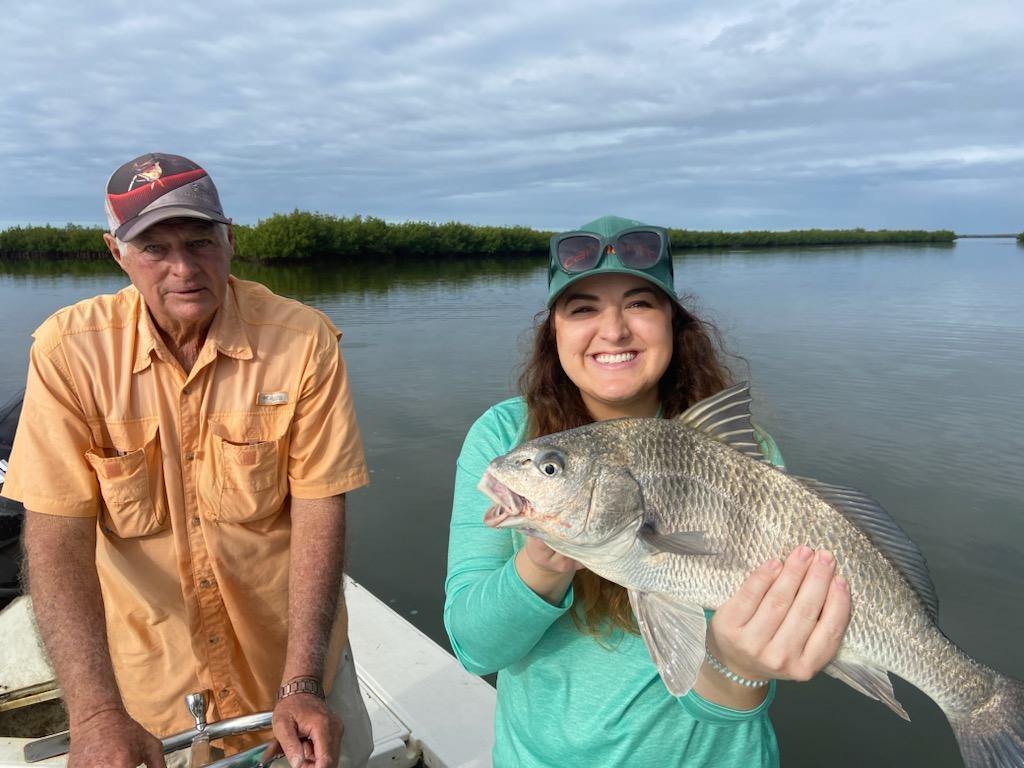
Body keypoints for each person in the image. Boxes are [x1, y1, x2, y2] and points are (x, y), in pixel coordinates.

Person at [1, 153, 373, 768]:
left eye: (200, 241)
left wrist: (303, 682)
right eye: (154, 247)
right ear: (117, 253)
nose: (184, 268)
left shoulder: (302, 340)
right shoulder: (67, 351)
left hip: (292, 657)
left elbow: (319, 508)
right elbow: (56, 534)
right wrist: (95, 713)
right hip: (149, 673)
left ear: (230, 240)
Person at [444, 215, 852, 767]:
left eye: (639, 304)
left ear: (674, 325)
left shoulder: (740, 452)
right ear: (553, 332)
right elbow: (475, 649)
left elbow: (728, 709)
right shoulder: (505, 436)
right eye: (583, 309)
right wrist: (543, 561)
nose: (613, 331)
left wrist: (741, 664)